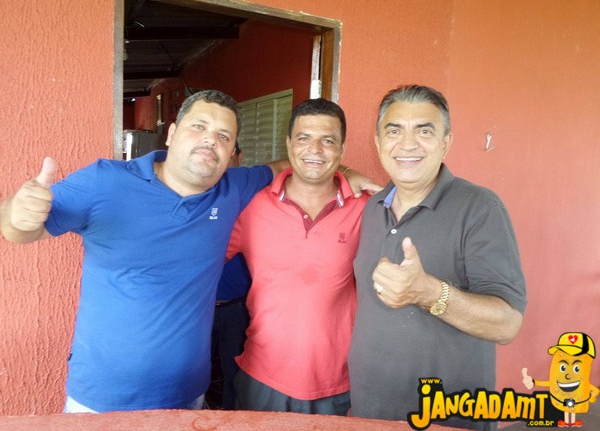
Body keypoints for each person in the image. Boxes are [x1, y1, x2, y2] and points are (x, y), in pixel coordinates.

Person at [0, 90, 286, 413]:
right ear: (172, 133)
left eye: (224, 136)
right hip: (101, 401)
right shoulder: (105, 182)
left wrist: (331, 167)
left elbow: (285, 165)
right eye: (199, 126)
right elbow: (17, 230)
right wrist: (16, 213)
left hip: (187, 396)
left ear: (232, 151)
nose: (210, 140)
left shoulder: (233, 188)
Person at [348, 85, 527, 431]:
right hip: (370, 409)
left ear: (446, 142)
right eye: (394, 131)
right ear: (378, 142)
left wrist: (428, 292)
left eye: (424, 131)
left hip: (446, 416)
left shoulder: (479, 208)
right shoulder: (372, 207)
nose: (407, 144)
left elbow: (507, 325)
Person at [228, 99, 371, 416]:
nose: (315, 149)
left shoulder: (366, 209)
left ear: (342, 149)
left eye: (328, 140)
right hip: (263, 376)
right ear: (289, 144)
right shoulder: (252, 206)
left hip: (339, 381)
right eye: (304, 138)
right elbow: (199, 262)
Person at [208, 142, 253, 410]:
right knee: (198, 374)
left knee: (234, 376)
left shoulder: (253, 195)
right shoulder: (195, 193)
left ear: (239, 156)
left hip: (237, 308)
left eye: (228, 149)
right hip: (199, 309)